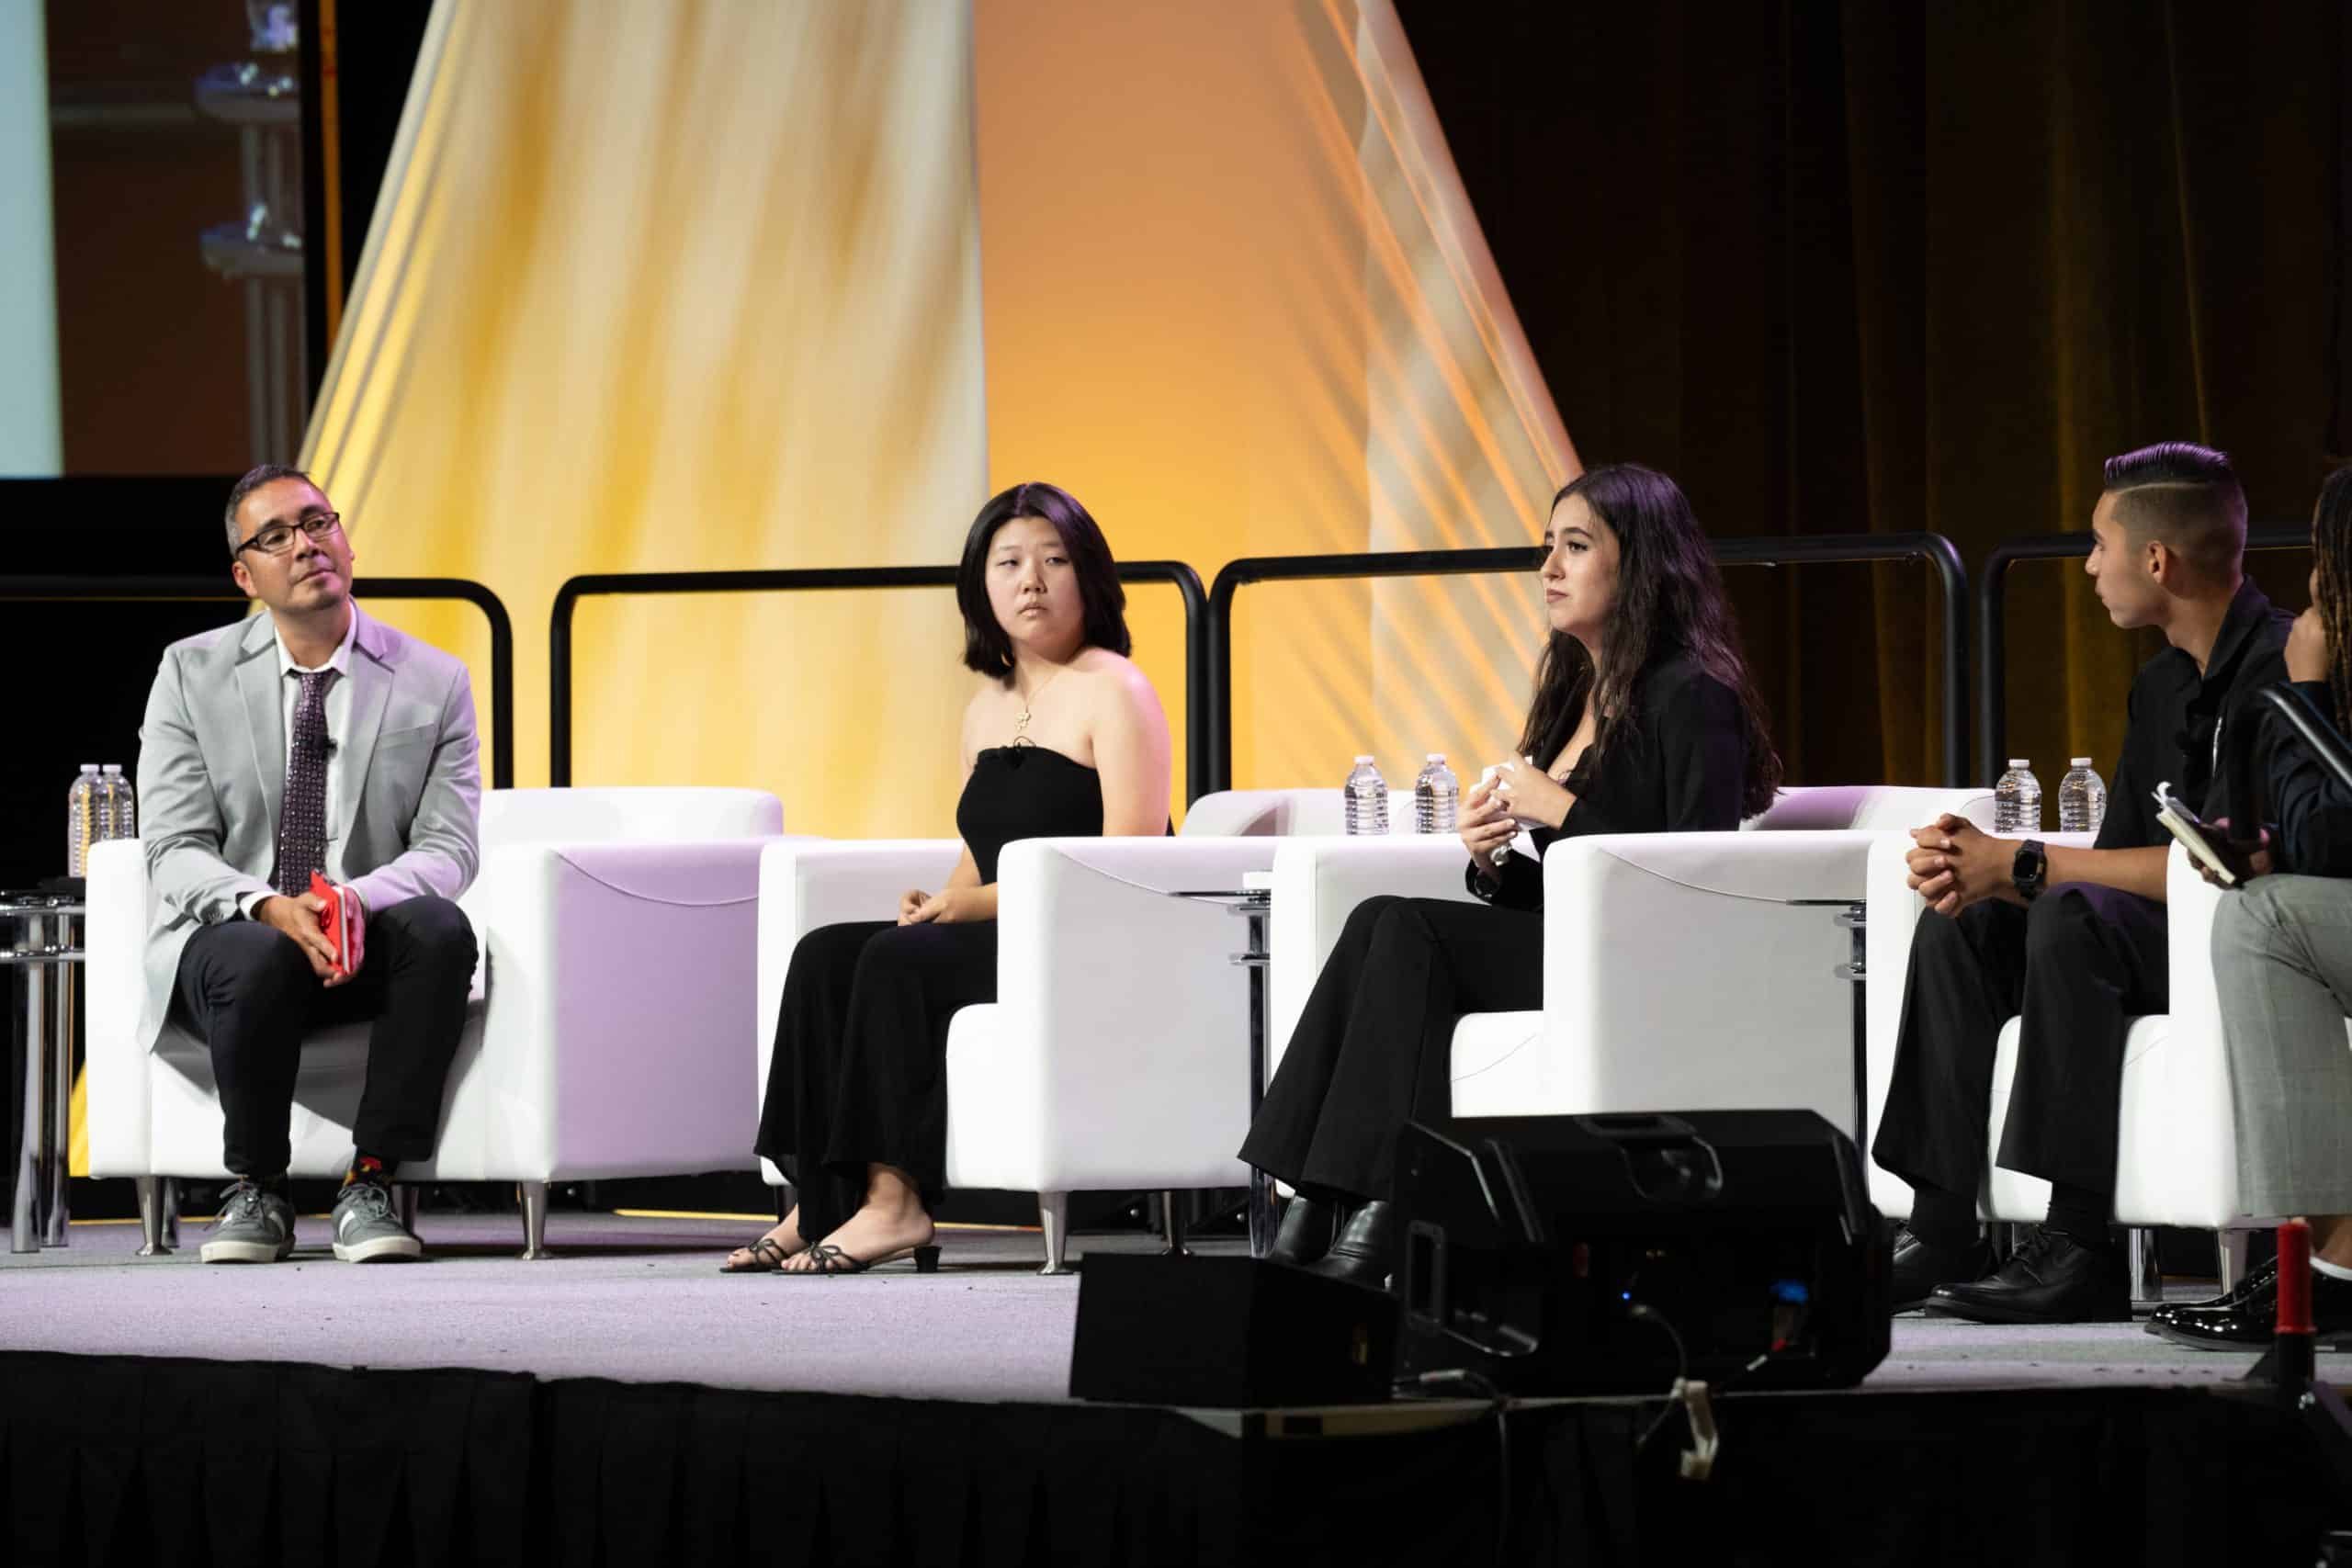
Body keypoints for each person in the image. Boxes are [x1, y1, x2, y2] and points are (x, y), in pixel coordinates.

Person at [1237, 463, 1782, 1289]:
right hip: (1567, 936)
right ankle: (1315, 1195)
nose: (1549, 570)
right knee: (1381, 917)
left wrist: (1559, 808)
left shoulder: (1693, 695)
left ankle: (1373, 1200)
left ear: (1640, 565)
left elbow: (1688, 870)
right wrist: (1493, 863)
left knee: (1408, 928)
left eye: (1575, 546)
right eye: (1547, 548)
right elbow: (1564, 878)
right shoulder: (1576, 693)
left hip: (1637, 956)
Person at [1877, 441, 2291, 1323]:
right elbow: (2121, 859)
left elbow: (2219, 866)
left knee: (2066, 913)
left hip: (2243, 943)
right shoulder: (2159, 686)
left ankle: (2077, 1242)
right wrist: (1981, 868)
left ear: (2157, 559)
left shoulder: (2279, 669)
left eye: (2101, 544)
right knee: (1965, 918)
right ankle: (1942, 1220)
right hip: (2150, 932)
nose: (2091, 564)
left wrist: (2025, 860)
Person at [726, 482, 1171, 1275]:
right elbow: (982, 848)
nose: (1030, 580)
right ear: (981, 586)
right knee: (827, 953)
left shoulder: (1117, 689)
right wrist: (942, 898)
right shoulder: (985, 708)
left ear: (1089, 579)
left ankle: (897, 1206)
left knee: (894, 963)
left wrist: (976, 905)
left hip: (1085, 937)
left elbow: (1122, 864)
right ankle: (820, 1200)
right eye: (1009, 563)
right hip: (1008, 925)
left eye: (1054, 560)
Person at [139, 464, 482, 1265]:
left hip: (357, 941)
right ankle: (257, 1186)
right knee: (256, 951)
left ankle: (371, 1181)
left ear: (346, 540)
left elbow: (450, 847)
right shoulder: (190, 674)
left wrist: (350, 901)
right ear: (244, 573)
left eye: (318, 522)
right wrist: (267, 905)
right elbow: (174, 847)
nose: (304, 545)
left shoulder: (434, 680)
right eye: (275, 536)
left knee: (437, 927)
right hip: (235, 939)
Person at [2150, 462, 2352, 1348]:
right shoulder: (2159, 685)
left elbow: (2338, 835)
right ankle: (2319, 1265)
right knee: (2265, 902)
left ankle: (2329, 1268)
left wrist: (2308, 692)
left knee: (2261, 924)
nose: (2310, 582)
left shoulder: (2294, 667)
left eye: (2323, 559)